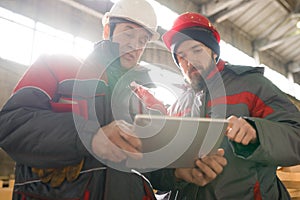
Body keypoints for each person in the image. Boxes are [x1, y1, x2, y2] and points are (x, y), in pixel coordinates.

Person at [0, 1, 227, 200]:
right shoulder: (56, 66)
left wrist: (177, 173)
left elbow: (145, 164)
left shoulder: (138, 102)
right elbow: (10, 123)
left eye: (143, 39)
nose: (135, 45)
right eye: (128, 33)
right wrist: (87, 138)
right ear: (108, 29)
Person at [148, 12, 300, 199]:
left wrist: (257, 132)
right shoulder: (178, 106)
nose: (190, 62)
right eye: (181, 56)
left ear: (214, 52)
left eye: (197, 50)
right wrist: (175, 173)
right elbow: (160, 170)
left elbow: (296, 135)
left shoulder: (252, 86)